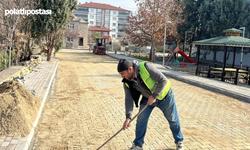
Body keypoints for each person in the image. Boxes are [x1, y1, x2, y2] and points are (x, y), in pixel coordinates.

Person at [117, 59, 184, 150]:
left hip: (165, 97)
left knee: (172, 119)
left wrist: (154, 95)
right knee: (141, 121)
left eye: (122, 73)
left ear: (130, 69)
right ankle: (138, 145)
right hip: (147, 98)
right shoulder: (127, 81)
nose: (122, 76)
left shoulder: (146, 67)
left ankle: (179, 141)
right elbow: (129, 99)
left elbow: (163, 80)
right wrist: (128, 117)